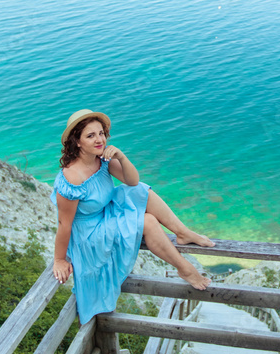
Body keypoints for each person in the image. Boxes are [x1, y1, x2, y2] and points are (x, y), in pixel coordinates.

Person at [50, 109, 214, 325]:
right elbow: (64, 223)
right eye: (90, 136)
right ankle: (184, 268)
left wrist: (121, 156)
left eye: (101, 133)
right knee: (148, 221)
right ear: (77, 142)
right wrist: (60, 260)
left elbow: (133, 181)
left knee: (141, 191)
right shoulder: (71, 178)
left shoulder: (101, 159)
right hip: (89, 232)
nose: (99, 140)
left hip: (105, 212)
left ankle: (183, 233)